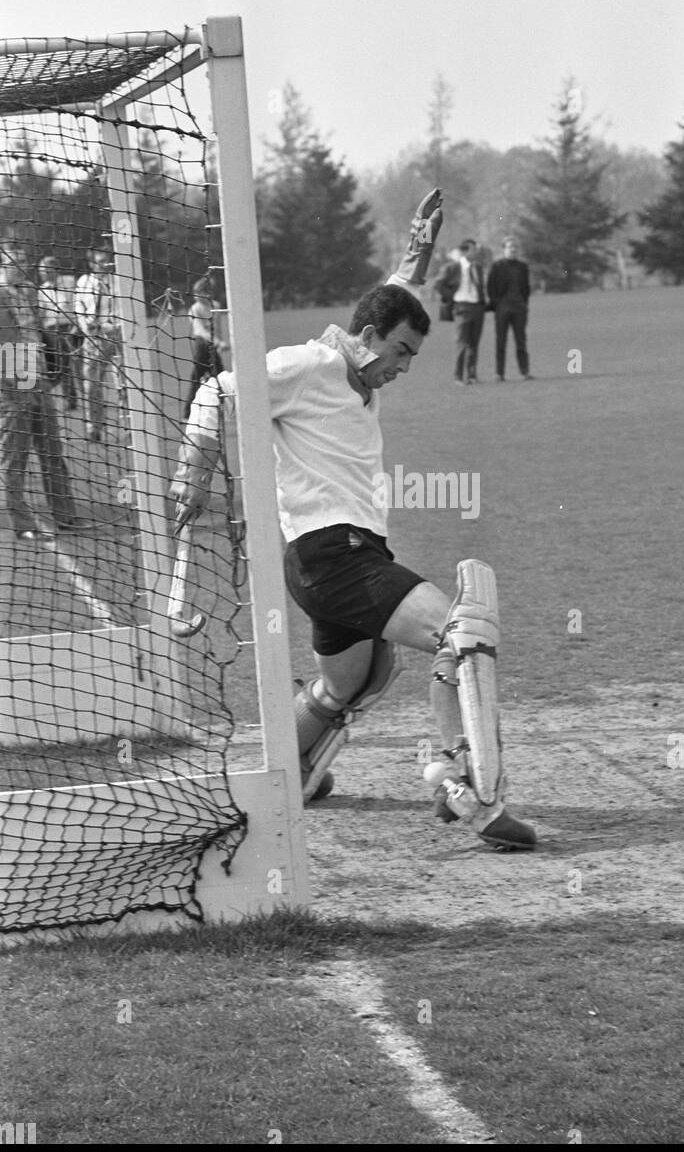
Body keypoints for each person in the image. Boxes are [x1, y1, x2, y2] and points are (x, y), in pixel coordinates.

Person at [171, 192, 536, 852]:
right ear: (367, 338)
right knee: (463, 631)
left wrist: (417, 249)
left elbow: (392, 292)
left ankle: (290, 777)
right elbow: (214, 389)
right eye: (399, 353)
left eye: (412, 358)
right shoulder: (308, 365)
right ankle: (463, 788)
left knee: (356, 680)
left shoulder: (358, 358)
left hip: (330, 561)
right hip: (333, 555)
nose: (400, 368)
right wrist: (191, 471)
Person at [0, 249, 80, 538]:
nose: (22, 266)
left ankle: (65, 515)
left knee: (52, 451)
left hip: (38, 379)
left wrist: (53, 361)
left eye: (24, 261)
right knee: (15, 456)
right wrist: (20, 387)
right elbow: (8, 345)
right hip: (13, 383)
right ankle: (23, 525)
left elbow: (36, 335)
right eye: (16, 262)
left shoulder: (28, 293)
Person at [75, 246, 122, 442]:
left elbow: (123, 309)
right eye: (97, 261)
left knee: (123, 384)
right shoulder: (84, 281)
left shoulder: (118, 281)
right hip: (93, 340)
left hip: (117, 338)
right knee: (91, 385)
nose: (101, 265)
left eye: (105, 261)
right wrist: (87, 326)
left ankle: (129, 426)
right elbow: (79, 308)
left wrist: (110, 325)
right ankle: (93, 426)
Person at [437, 238, 487, 384]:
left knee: (474, 343)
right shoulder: (453, 267)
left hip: (477, 307)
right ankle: (458, 376)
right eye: (473, 249)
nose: (476, 252)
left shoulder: (477, 267)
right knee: (461, 343)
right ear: (465, 251)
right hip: (462, 307)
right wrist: (452, 296)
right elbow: (439, 284)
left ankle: (472, 375)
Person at [487, 237, 533, 382]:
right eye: (510, 247)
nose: (513, 249)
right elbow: (490, 287)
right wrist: (497, 304)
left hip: (519, 308)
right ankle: (499, 373)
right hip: (502, 309)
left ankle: (525, 371)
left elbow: (526, 287)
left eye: (515, 247)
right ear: (504, 249)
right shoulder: (497, 266)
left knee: (521, 341)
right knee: (501, 342)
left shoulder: (522, 266)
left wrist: (524, 304)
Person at [38, 256, 79, 411]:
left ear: (55, 269)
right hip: (51, 331)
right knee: (61, 366)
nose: (44, 274)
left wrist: (75, 327)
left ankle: (82, 399)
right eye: (42, 271)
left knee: (76, 364)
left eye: (47, 270)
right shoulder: (42, 290)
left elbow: (77, 304)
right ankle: (70, 399)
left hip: (70, 327)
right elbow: (41, 314)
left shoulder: (69, 282)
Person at [183, 277, 226, 420]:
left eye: (199, 292)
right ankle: (187, 413)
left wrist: (219, 343)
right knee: (196, 378)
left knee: (221, 378)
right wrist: (217, 342)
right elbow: (200, 330)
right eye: (195, 293)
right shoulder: (195, 309)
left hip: (213, 347)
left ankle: (225, 408)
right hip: (202, 347)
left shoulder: (216, 306)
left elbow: (217, 329)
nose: (196, 296)